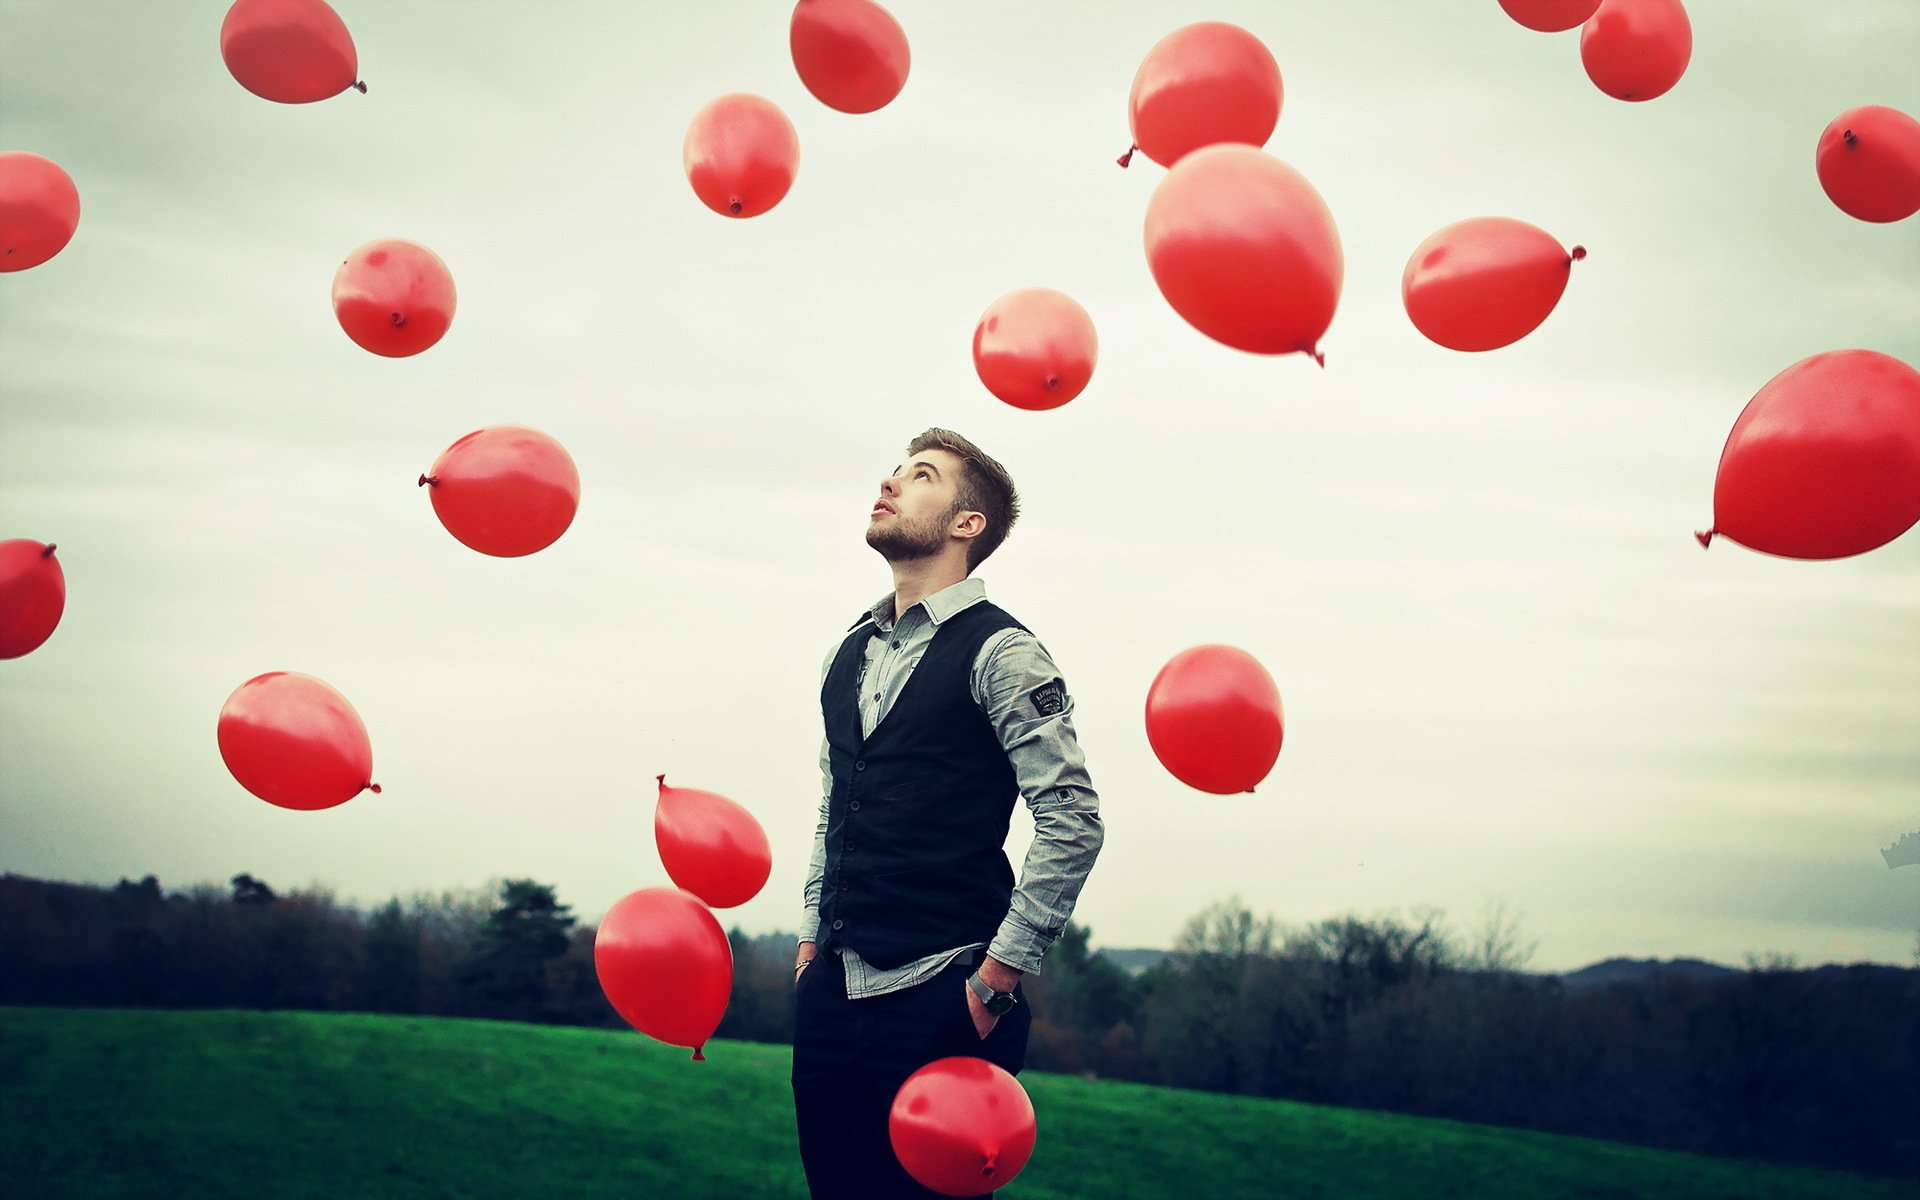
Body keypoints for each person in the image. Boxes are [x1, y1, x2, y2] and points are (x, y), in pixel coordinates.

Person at [791, 428, 1105, 1200]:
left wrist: (993, 983)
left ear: (968, 524)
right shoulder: (847, 653)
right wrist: (807, 949)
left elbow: (1071, 819)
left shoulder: (1004, 654)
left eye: (921, 475)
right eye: (895, 470)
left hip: (943, 998)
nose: (891, 483)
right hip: (830, 1000)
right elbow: (836, 806)